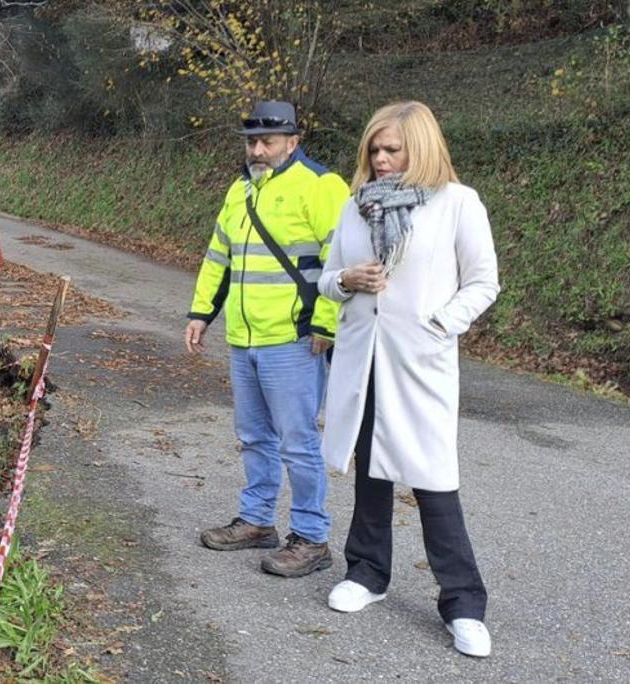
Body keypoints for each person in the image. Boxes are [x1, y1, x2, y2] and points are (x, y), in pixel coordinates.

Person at [317, 101, 500, 656]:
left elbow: (484, 282)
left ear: (419, 147)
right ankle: (367, 574)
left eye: (392, 148)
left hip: (419, 363)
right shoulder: (354, 207)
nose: (381, 159)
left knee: (433, 480)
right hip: (361, 360)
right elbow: (325, 279)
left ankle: (464, 603)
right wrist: (346, 279)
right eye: (374, 149)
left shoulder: (456, 204)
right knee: (370, 472)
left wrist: (439, 324)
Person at [185, 100, 350, 578]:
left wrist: (325, 322)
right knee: (254, 436)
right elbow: (219, 257)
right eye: (252, 141)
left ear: (292, 142)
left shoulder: (321, 186)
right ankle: (257, 521)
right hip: (244, 337)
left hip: (294, 339)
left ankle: (312, 537)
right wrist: (201, 313)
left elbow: (339, 259)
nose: (258, 149)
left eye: (268, 141)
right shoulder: (240, 190)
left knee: (298, 443)